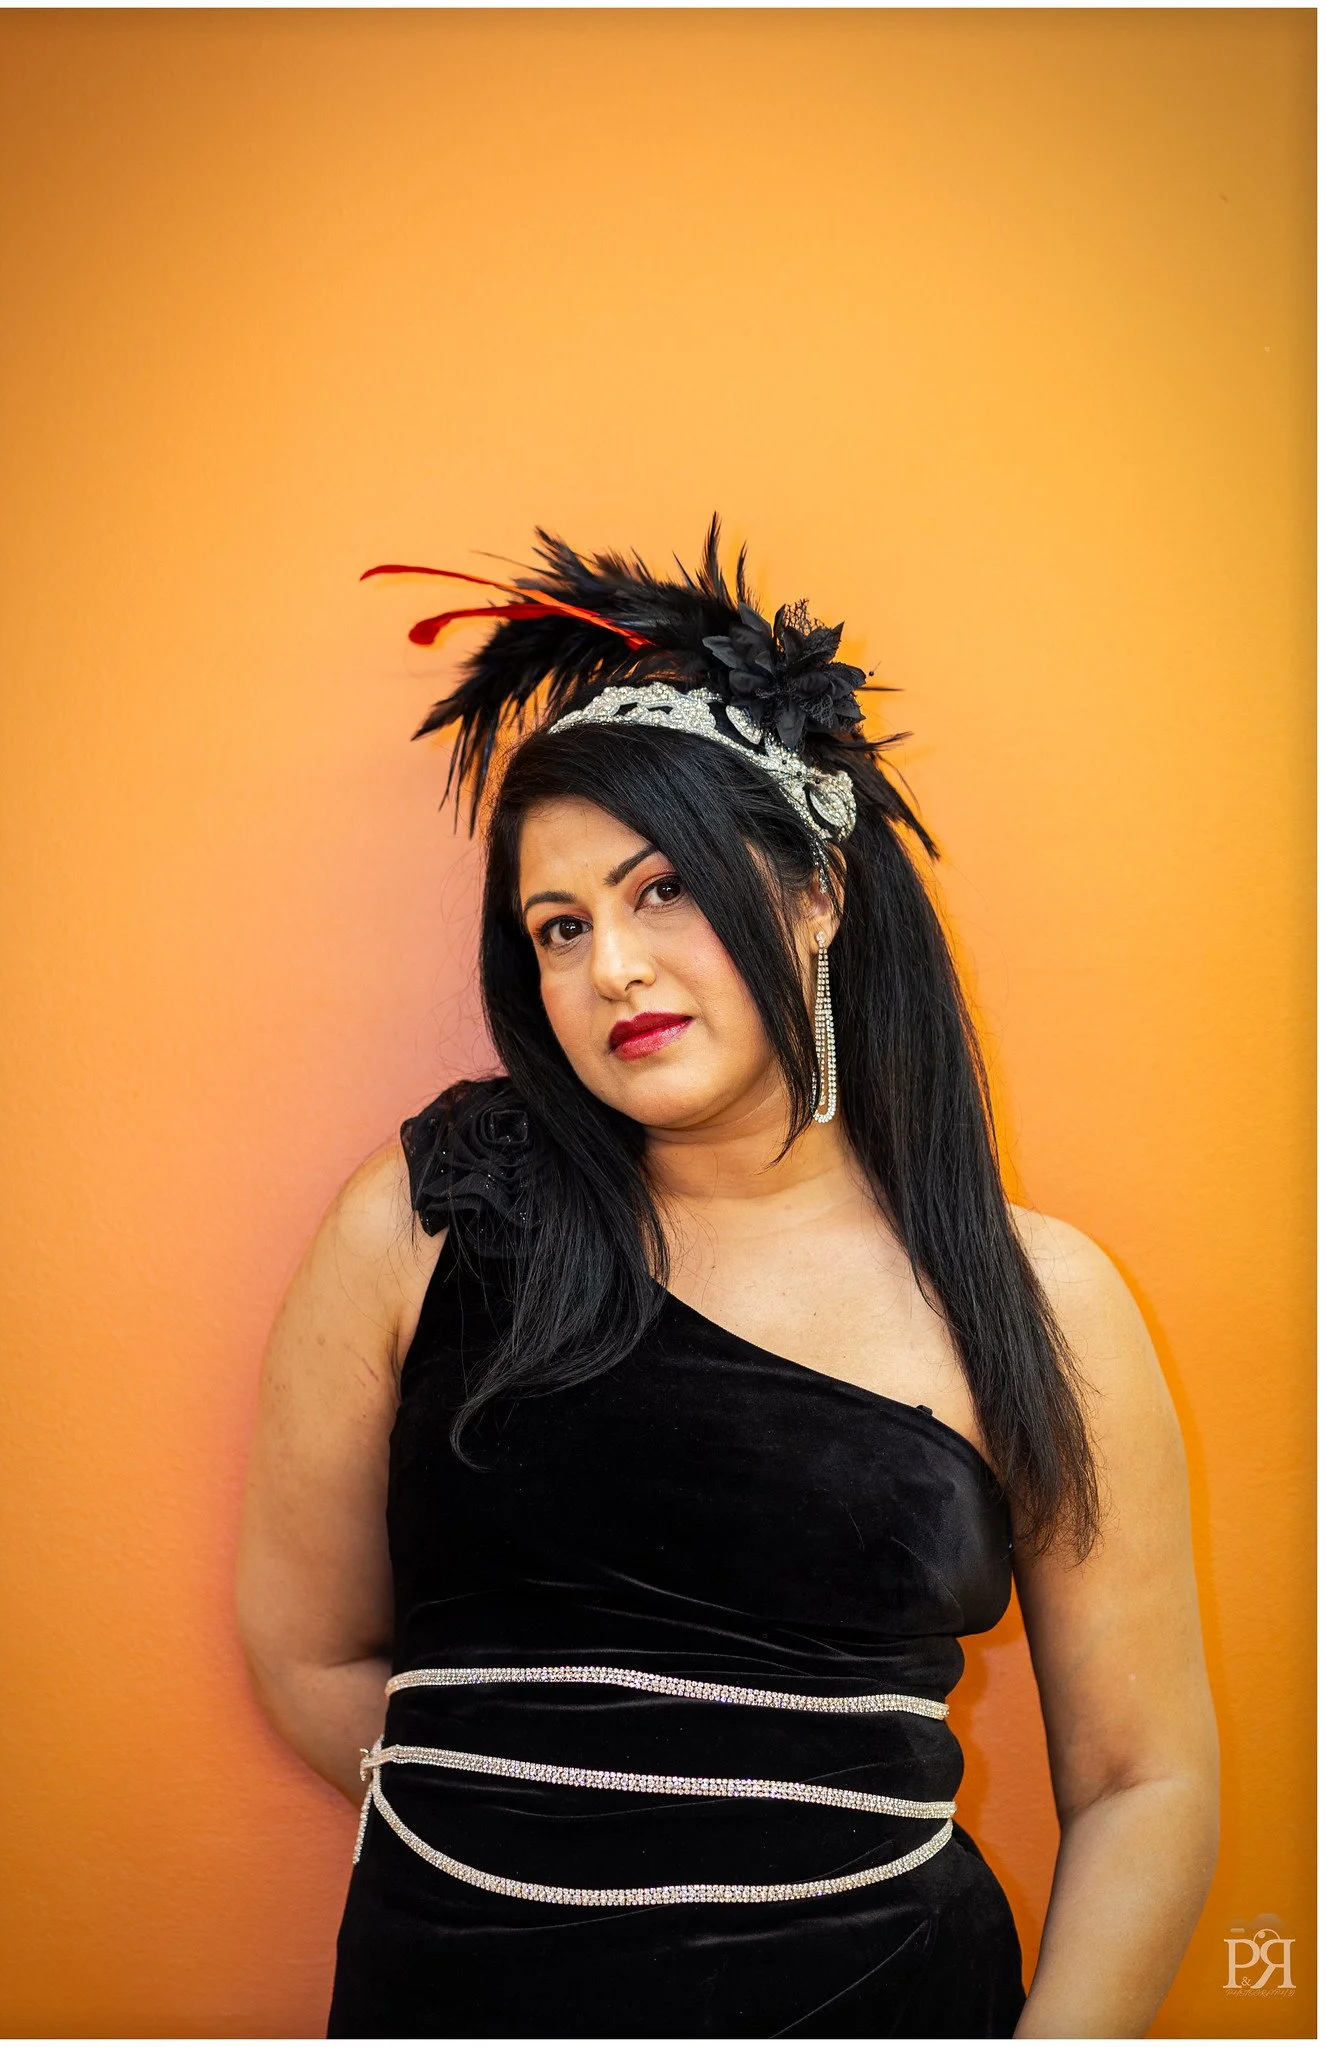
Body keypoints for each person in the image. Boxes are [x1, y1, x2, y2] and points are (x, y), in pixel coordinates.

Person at [236, 522, 1220, 2038]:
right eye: (560, 929)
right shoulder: (429, 1213)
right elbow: (305, 1648)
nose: (612, 968)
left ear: (815, 892)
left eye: (663, 891)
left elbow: (1145, 1779)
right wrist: (531, 1853)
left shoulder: (1039, 1298)